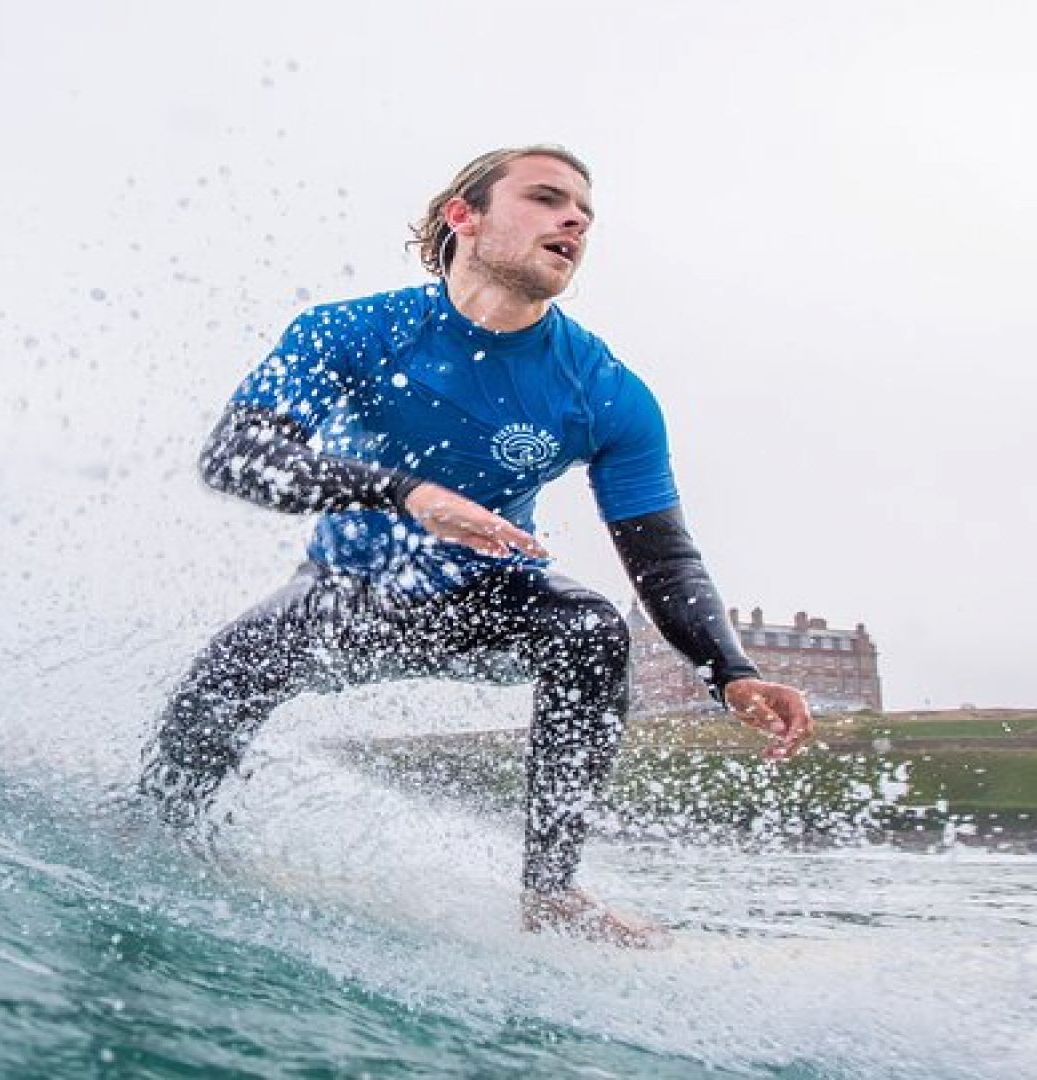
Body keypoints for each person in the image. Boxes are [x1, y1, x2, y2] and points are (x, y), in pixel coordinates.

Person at [139, 145, 813, 948]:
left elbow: (664, 557)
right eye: (546, 199)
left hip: (486, 602)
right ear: (465, 214)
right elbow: (238, 455)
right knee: (233, 663)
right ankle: (151, 833)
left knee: (591, 628)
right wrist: (404, 492)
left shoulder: (601, 389)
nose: (575, 221)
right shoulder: (354, 332)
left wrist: (728, 672)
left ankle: (550, 895)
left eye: (585, 214)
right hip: (346, 590)